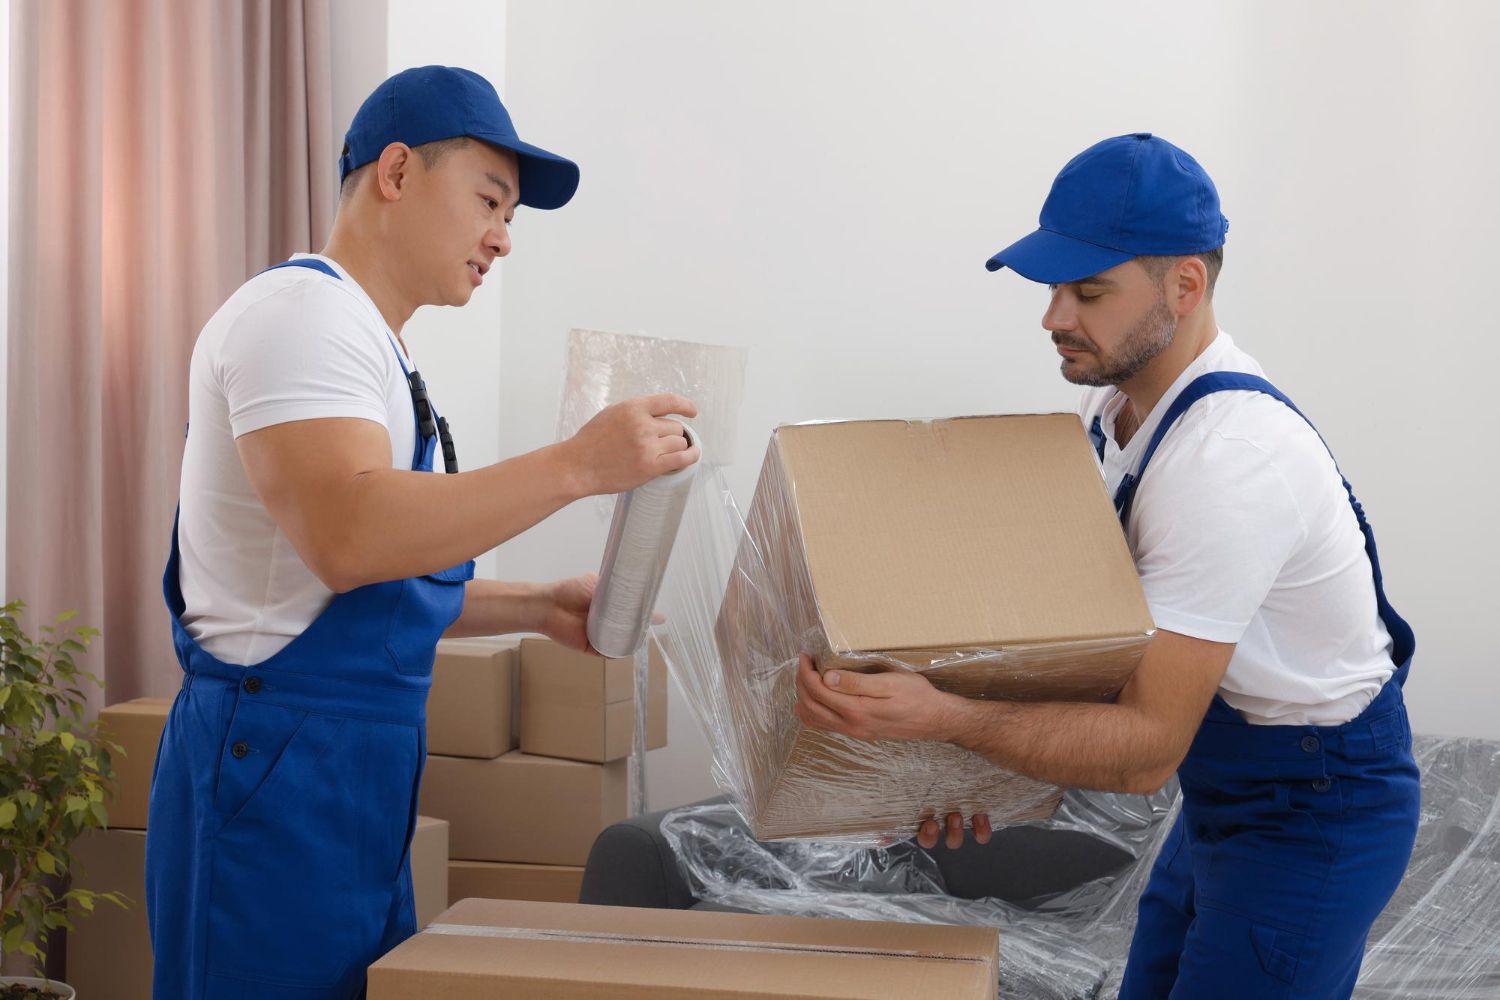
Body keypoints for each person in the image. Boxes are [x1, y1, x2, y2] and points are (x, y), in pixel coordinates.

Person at [794, 132, 1418, 998]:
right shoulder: (1115, 402)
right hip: (1224, 787)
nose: (1054, 316)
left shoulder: (1228, 461)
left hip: (1314, 806)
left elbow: (1144, 752)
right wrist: (962, 769)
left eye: (1089, 291)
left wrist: (949, 722)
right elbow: (1090, 636)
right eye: (1054, 285)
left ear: (1186, 284)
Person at [145, 65, 700, 1000]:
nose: (503, 238)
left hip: (352, 773)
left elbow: (366, 587)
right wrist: (579, 465)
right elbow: (352, 536)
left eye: (512, 215)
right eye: (491, 199)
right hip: (275, 766)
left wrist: (538, 605)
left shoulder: (376, 349)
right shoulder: (302, 318)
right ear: (397, 173)